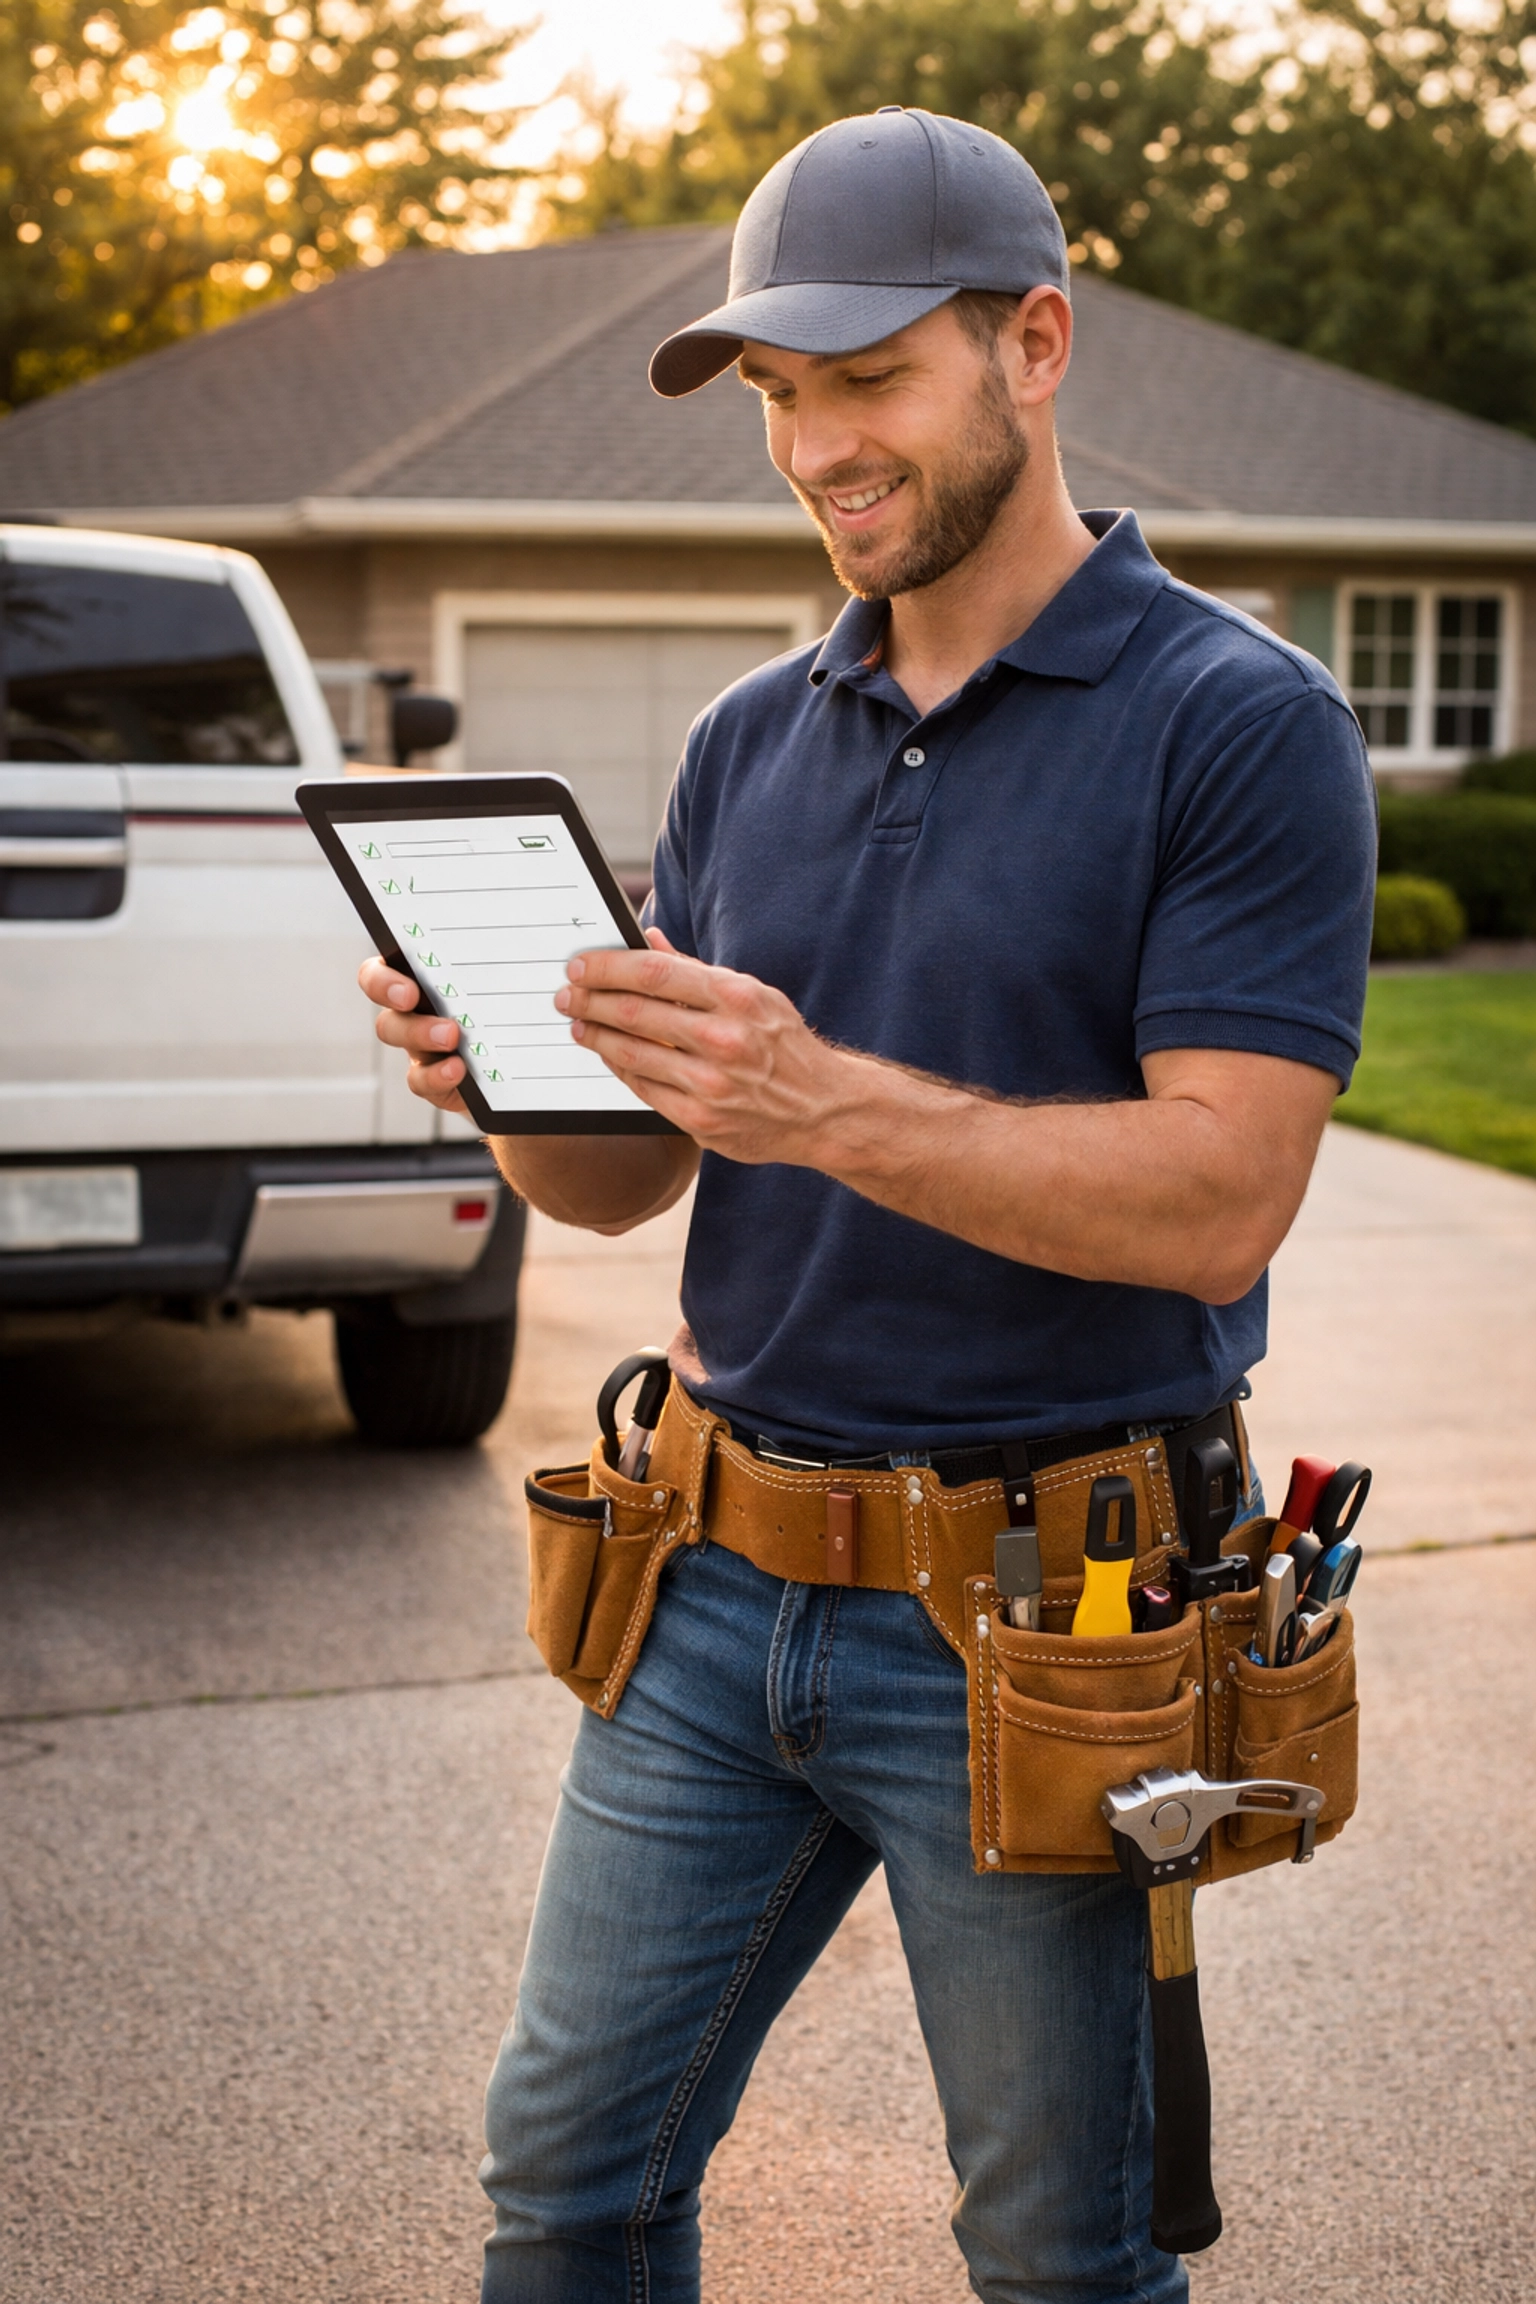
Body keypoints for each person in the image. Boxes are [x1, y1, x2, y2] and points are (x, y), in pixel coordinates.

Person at [361, 108, 1375, 2304]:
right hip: (711, 1583)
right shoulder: (751, 736)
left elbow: (1222, 1198)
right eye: (780, 398)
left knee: (1058, 2255)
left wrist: (819, 1103)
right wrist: (502, 1086)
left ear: (1034, 344)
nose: (819, 445)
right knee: (566, 2177)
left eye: (870, 380)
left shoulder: (1239, 724)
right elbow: (624, 1192)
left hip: (1042, 1618)